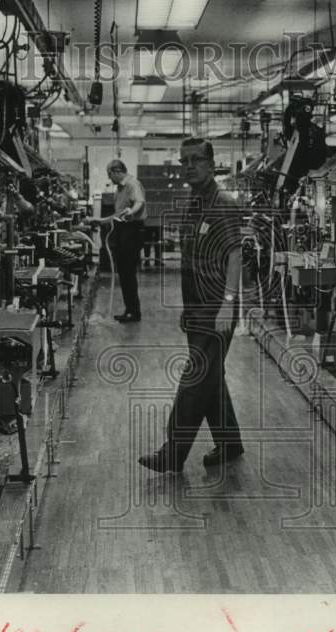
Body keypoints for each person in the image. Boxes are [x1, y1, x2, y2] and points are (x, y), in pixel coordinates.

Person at [138, 138, 245, 472]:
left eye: (196, 160)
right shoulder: (194, 202)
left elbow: (235, 254)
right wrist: (189, 307)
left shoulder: (222, 203)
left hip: (216, 308)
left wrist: (227, 305)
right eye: (184, 160)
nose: (189, 166)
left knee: (196, 377)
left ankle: (174, 452)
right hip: (198, 308)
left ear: (211, 164)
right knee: (210, 377)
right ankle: (230, 443)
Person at [90, 160, 147, 322]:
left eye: (109, 174)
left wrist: (131, 213)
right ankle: (130, 309)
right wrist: (100, 220)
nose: (110, 178)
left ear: (116, 171)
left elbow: (139, 202)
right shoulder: (119, 189)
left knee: (128, 273)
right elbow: (118, 214)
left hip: (133, 230)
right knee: (123, 272)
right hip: (123, 230)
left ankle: (134, 312)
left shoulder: (132, 184)